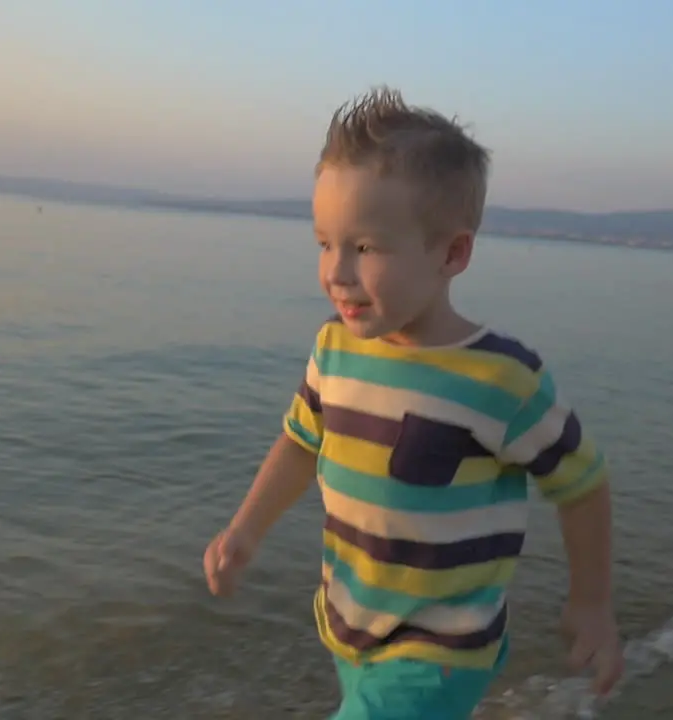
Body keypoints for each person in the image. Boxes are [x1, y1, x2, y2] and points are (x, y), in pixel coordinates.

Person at [202, 86, 624, 719]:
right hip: (351, 626)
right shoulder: (334, 349)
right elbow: (299, 442)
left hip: (442, 648)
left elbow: (581, 483)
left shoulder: (500, 379)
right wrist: (245, 528)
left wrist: (591, 601)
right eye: (324, 242)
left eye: (365, 248)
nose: (336, 271)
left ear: (451, 253)